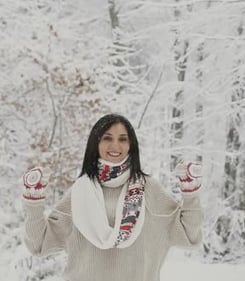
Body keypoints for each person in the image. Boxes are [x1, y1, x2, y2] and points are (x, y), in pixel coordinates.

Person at [21, 113, 203, 281]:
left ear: (131, 146)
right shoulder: (80, 193)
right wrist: (33, 202)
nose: (115, 145)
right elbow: (39, 244)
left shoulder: (150, 190)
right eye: (107, 138)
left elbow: (189, 236)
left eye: (123, 139)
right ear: (96, 143)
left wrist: (190, 194)